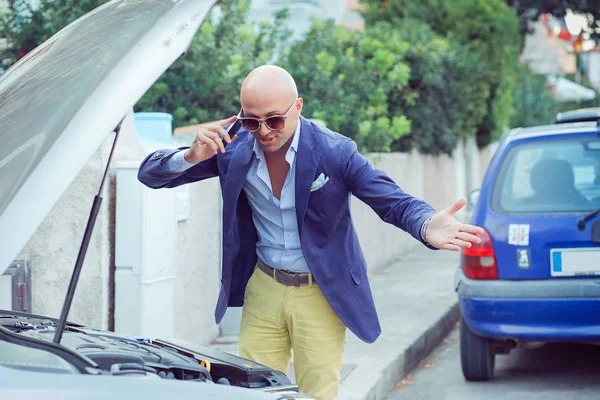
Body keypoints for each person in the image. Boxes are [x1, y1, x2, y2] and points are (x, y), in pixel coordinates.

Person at [137, 65, 483, 400]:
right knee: (252, 392)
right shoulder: (232, 147)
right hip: (264, 287)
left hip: (320, 291)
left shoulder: (334, 151)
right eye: (250, 120)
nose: (264, 130)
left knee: (316, 394)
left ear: (298, 107)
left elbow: (390, 200)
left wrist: (424, 223)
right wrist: (190, 155)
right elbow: (150, 175)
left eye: (274, 119)